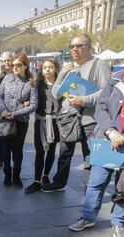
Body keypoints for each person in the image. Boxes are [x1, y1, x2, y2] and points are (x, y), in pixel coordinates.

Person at [42, 33, 111, 192]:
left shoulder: (99, 64)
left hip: (90, 119)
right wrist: (61, 74)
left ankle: (90, 190)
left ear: (89, 47)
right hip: (68, 118)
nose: (75, 49)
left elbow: (107, 91)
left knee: (90, 157)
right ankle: (59, 182)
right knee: (65, 154)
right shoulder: (69, 67)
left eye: (80, 46)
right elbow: (56, 94)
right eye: (72, 46)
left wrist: (84, 100)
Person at [68, 66, 124, 236]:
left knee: (123, 187)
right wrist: (110, 130)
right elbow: (101, 107)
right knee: (96, 182)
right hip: (107, 139)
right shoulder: (115, 78)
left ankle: (118, 221)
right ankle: (88, 217)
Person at [0, 53, 38, 187]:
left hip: (21, 121)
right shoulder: (7, 78)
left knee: (18, 149)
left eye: (18, 65)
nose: (15, 67)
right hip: (6, 119)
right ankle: (7, 174)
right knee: (6, 148)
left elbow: (33, 105)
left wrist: (16, 113)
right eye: (13, 65)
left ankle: (16, 175)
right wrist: (3, 111)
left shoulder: (31, 82)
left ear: (25, 66)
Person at [25, 58, 61, 193]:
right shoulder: (37, 84)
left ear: (56, 69)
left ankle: (45, 176)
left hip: (56, 122)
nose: (47, 70)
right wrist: (27, 102)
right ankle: (36, 181)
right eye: (45, 67)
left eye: (50, 67)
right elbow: (29, 97)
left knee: (51, 150)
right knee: (39, 152)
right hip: (40, 121)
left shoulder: (60, 85)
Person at [0, 51, 15, 169]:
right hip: (1, 109)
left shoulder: (17, 72)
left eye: (9, 60)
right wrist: (0, 72)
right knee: (1, 134)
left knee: (13, 135)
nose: (7, 63)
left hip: (14, 109)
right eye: (4, 60)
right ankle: (0, 159)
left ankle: (11, 160)